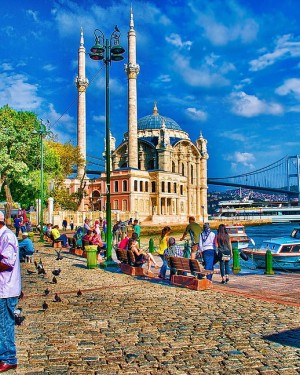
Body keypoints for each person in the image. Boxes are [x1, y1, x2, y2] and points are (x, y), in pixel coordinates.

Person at [0, 210, 21, 371]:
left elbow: (7, 262)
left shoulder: (7, 236)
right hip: (2, 288)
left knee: (5, 324)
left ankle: (9, 357)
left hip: (6, 288)